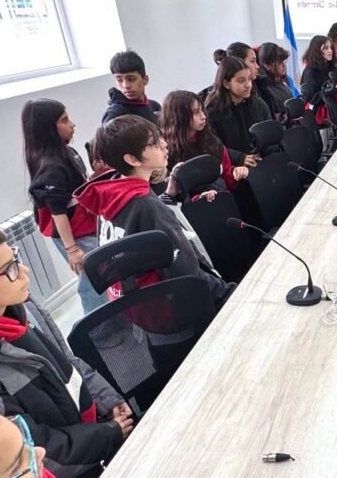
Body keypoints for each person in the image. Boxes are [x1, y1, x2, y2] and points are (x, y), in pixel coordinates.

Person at [0, 223, 133, 478]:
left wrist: (106, 399)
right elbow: (27, 456)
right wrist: (107, 435)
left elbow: (66, 363)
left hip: (92, 439)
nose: (24, 271)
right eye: (9, 270)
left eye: (16, 258)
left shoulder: (21, 308)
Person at [75, 116, 234, 307]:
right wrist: (229, 294)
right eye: (154, 143)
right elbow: (185, 272)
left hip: (144, 308)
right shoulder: (147, 206)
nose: (164, 144)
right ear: (132, 159)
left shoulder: (109, 196)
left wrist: (168, 197)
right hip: (178, 306)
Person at [21, 99, 106, 315]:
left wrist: (95, 176)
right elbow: (58, 212)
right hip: (76, 235)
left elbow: (76, 189)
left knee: (101, 278)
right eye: (65, 120)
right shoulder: (50, 166)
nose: (72, 124)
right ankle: (100, 329)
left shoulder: (68, 153)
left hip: (86, 227)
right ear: (48, 128)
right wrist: (72, 249)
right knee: (93, 284)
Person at [159, 90, 250, 202]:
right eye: (196, 112)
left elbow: (226, 173)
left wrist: (236, 173)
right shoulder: (166, 152)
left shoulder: (212, 141)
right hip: (195, 208)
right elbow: (173, 195)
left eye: (202, 110)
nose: (203, 116)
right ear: (178, 117)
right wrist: (198, 198)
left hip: (222, 200)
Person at [203, 56, 271, 162]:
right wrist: (239, 158)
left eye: (249, 79)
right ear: (226, 84)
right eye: (241, 81)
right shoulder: (212, 112)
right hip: (232, 165)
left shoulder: (258, 105)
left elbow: (269, 134)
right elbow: (214, 146)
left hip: (260, 160)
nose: (248, 85)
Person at [300, 35, 337, 131]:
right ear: (317, 51)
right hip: (318, 117)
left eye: (331, 48)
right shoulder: (310, 71)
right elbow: (311, 97)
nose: (330, 51)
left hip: (334, 111)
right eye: (326, 48)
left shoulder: (332, 68)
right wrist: (333, 91)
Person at [102, 50, 160, 124]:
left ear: (145, 80)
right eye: (119, 80)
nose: (126, 86)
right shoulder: (115, 115)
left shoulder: (155, 106)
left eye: (131, 79)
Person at [254, 42, 293, 120]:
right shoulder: (262, 87)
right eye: (279, 62)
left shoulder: (282, 80)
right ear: (267, 65)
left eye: (284, 61)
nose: (284, 65)